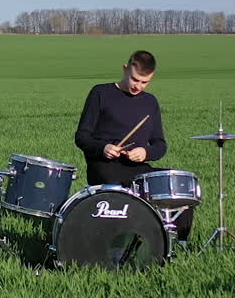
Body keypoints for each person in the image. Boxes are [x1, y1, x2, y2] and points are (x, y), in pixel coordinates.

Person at [74, 50, 193, 242]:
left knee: (178, 186)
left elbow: (160, 145)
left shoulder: (150, 102)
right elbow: (81, 137)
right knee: (124, 189)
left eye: (145, 82)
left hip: (138, 169)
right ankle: (124, 241)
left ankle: (177, 245)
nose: (138, 86)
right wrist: (103, 147)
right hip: (104, 168)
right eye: (135, 80)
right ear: (125, 69)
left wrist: (146, 152)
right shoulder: (100, 93)